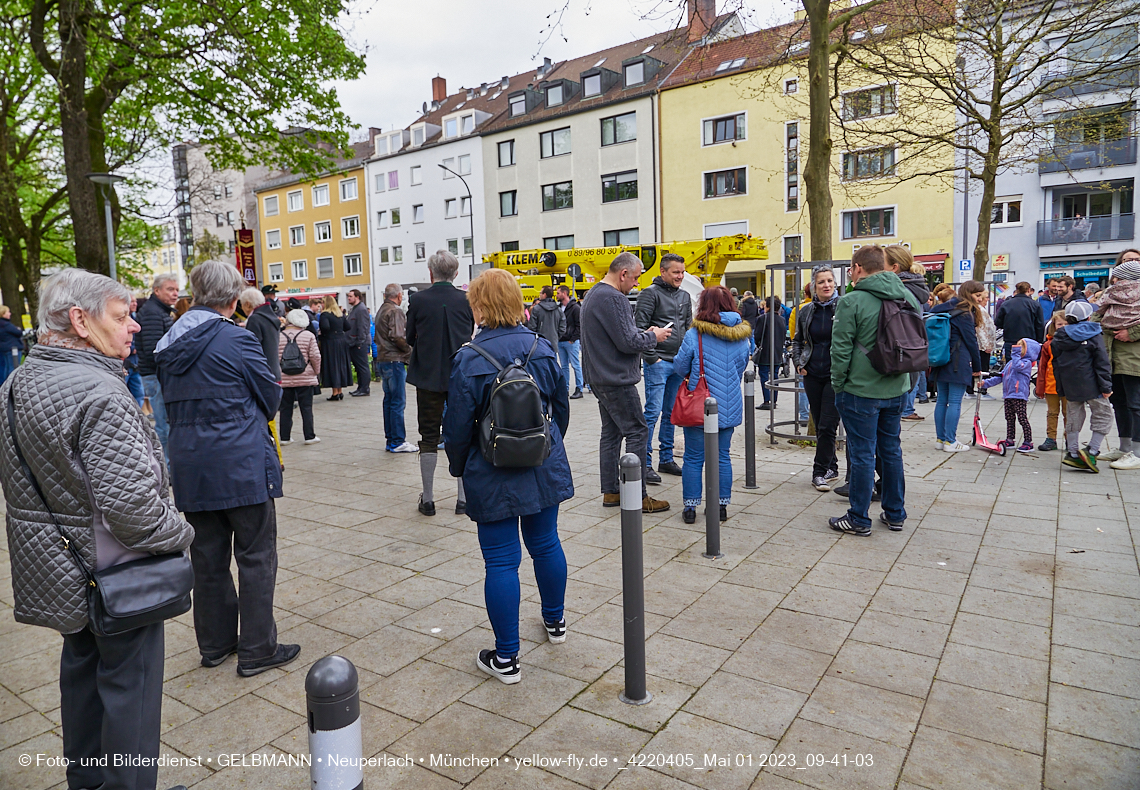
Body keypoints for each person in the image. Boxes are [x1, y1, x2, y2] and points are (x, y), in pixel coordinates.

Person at [0, 269, 194, 790]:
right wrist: (182, 534)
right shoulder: (100, 392)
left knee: (83, 684)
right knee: (131, 692)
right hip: (117, 574)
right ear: (80, 321)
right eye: (122, 315)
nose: (134, 325)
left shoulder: (18, 382)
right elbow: (134, 511)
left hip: (62, 572)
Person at [156, 260, 300, 677]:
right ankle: (258, 648)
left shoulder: (167, 343)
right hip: (241, 463)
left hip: (191, 463)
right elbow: (270, 397)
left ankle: (216, 644)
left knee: (207, 559)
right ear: (234, 298)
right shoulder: (237, 339)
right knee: (256, 556)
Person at [442, 269, 572, 684]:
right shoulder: (542, 348)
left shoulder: (469, 358)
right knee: (546, 544)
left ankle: (508, 658)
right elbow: (561, 410)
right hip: (541, 463)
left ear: (479, 306)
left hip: (491, 467)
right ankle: (555, 622)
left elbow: (456, 427)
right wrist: (543, 446)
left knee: (500, 561)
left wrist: (459, 468)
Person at [828, 245, 917, 536]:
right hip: (897, 387)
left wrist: (838, 384)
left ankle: (858, 518)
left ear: (857, 268)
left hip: (860, 390)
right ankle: (895, 513)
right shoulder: (907, 296)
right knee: (891, 451)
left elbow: (840, 350)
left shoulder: (851, 301)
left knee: (863, 453)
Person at [580, 251, 671, 513]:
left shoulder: (594, 294)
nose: (637, 283)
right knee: (637, 431)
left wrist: (643, 333)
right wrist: (654, 336)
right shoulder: (614, 298)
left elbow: (618, 335)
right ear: (623, 274)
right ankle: (637, 495)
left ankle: (611, 491)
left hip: (600, 376)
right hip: (616, 378)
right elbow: (628, 342)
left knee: (611, 433)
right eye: (636, 277)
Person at [673, 286, 751, 523]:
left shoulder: (695, 334)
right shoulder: (742, 335)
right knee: (722, 456)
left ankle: (690, 508)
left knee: (694, 457)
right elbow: (742, 366)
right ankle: (721, 506)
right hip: (729, 404)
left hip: (699, 405)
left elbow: (680, 367)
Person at [406, 250, 475, 516]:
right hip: (460, 375)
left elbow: (409, 337)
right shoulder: (466, 299)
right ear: (456, 273)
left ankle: (428, 499)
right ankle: (463, 499)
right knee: (463, 433)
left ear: (431, 273)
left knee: (428, 436)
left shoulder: (418, 300)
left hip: (428, 376)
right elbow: (469, 332)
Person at [635, 253, 692, 482]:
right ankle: (645, 464)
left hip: (678, 362)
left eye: (682, 272)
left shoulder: (685, 296)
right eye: (676, 272)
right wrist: (652, 358)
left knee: (671, 413)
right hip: (658, 361)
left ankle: (666, 459)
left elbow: (688, 327)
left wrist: (687, 358)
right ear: (663, 272)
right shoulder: (649, 294)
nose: (680, 276)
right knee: (652, 412)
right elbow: (639, 328)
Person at [792, 266, 842, 491]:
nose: (826, 285)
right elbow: (797, 340)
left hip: (835, 374)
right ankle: (832, 466)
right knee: (822, 421)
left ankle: (819, 472)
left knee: (827, 425)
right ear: (814, 286)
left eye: (830, 280)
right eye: (821, 282)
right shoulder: (806, 311)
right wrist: (798, 363)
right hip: (812, 374)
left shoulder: (843, 307)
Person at [1052, 300, 1114, 472]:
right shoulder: (1094, 335)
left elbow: (1056, 363)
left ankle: (1072, 452)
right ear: (1088, 317)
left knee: (1073, 415)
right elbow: (1102, 362)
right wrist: (1106, 387)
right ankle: (1092, 451)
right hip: (1092, 384)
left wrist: (1060, 387)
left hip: (1069, 383)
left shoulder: (1059, 336)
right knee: (1104, 415)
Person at [1094, 251, 1140, 469]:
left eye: (1136, 260)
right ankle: (1124, 447)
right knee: (1119, 403)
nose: (1133, 263)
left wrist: (1132, 332)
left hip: (1135, 356)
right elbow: (1098, 315)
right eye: (1128, 260)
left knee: (1136, 404)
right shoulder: (1111, 293)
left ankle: (1137, 453)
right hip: (1112, 354)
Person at [929, 281, 984, 452]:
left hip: (940, 358)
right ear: (969, 294)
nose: (980, 299)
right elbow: (971, 341)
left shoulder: (942, 308)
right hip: (958, 360)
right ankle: (950, 442)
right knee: (954, 401)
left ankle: (940, 439)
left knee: (941, 400)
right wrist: (977, 366)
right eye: (977, 295)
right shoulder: (965, 312)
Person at [886, 247, 930, 422]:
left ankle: (905, 411)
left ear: (894, 267)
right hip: (910, 350)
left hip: (898, 353)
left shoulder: (899, 290)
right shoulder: (915, 288)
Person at [136, 272, 179, 456]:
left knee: (166, 423)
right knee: (164, 424)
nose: (175, 294)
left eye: (176, 290)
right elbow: (154, 350)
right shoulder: (152, 313)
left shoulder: (160, 311)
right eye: (170, 289)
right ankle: (167, 466)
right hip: (157, 375)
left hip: (159, 374)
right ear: (157, 290)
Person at [374, 283, 417, 453]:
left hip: (383, 358)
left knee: (389, 401)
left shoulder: (381, 310)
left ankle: (391, 439)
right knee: (398, 401)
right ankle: (398, 441)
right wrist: (410, 351)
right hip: (395, 359)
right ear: (399, 295)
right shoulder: (395, 311)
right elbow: (398, 336)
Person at [980, 338, 1040, 453]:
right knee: (1009, 418)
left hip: (1019, 395)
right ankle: (1010, 439)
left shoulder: (1026, 363)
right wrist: (985, 383)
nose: (1017, 349)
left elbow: (1018, 366)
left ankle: (1028, 442)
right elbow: (1000, 377)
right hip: (1008, 394)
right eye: (1017, 346)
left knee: (1022, 418)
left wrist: (1015, 354)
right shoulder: (1010, 363)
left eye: (1021, 347)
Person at [278, 308, 322, 446]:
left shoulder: (278, 336)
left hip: (284, 377)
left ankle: (285, 437)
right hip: (305, 377)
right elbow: (315, 356)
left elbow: (273, 357)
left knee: (285, 408)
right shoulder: (308, 335)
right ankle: (309, 436)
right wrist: (315, 371)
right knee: (306, 407)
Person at [1035, 313, 1067, 452]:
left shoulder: (1075, 342)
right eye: (1060, 324)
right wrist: (1040, 387)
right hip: (1051, 384)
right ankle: (1051, 438)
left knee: (1069, 413)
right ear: (1054, 326)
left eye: (1066, 324)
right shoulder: (1048, 345)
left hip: (1069, 385)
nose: (1063, 327)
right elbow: (1042, 367)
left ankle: (1070, 439)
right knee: (1052, 413)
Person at [994, 281, 1045, 360]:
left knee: (1011, 363)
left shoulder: (1006, 304)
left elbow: (998, 322)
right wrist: (1039, 340)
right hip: (1029, 340)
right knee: (1027, 363)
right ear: (1029, 290)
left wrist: (1007, 326)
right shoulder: (1035, 305)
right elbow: (1040, 325)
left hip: (1011, 339)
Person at [241, 287, 282, 381]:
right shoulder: (270, 317)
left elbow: (252, 350)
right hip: (274, 372)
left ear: (247, 304)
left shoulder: (255, 319)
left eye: (242, 304)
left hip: (262, 374)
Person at [754, 295, 786, 410]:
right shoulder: (782, 320)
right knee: (775, 375)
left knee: (764, 375)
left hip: (765, 352)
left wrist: (759, 345)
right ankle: (774, 400)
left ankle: (767, 400)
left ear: (767, 306)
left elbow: (757, 336)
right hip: (777, 352)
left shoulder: (762, 318)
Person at [319, 295, 352, 400]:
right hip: (341, 341)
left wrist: (322, 334)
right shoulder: (340, 314)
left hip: (330, 342)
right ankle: (340, 391)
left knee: (333, 366)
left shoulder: (325, 315)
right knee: (340, 365)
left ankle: (335, 393)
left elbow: (325, 327)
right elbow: (348, 327)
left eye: (322, 303)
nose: (321, 305)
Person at [556, 285, 584, 399]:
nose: (556, 295)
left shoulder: (575, 308)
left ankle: (579, 388)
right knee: (564, 366)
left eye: (558, 293)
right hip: (561, 341)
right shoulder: (559, 308)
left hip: (570, 341)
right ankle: (565, 388)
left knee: (575, 365)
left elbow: (579, 324)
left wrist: (573, 339)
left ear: (564, 293)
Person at [346, 289, 372, 396]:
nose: (348, 298)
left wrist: (360, 342)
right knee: (358, 366)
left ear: (357, 297)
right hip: (353, 342)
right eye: (348, 296)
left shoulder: (361, 309)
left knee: (362, 366)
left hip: (359, 343)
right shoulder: (354, 309)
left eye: (350, 296)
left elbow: (363, 327)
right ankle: (361, 387)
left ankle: (364, 388)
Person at [527, 284, 566, 351]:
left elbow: (532, 328)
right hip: (553, 344)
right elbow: (562, 328)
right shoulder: (558, 310)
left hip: (539, 344)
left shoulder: (536, 309)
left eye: (540, 293)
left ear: (544, 294)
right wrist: (555, 337)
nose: (539, 295)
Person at [123, 297, 145, 406]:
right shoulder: (122, 321)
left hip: (135, 364)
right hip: (125, 364)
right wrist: (132, 349)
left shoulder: (135, 319)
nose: (135, 304)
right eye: (131, 301)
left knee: (139, 394)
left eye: (135, 301)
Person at [0, 305, 24, 382]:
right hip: (12, 348)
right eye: (8, 312)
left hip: (5, 348)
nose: (10, 314)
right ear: (3, 314)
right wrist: (18, 329)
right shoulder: (6, 324)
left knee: (6, 367)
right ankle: (12, 383)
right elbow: (18, 332)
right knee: (13, 367)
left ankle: (5, 382)